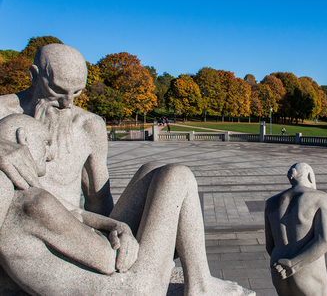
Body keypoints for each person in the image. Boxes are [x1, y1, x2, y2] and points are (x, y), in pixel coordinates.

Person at [0, 44, 247, 295]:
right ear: (33, 75)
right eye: (57, 90)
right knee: (177, 177)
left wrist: (117, 230)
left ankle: (199, 278)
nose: (68, 103)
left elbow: (98, 200)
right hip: (53, 244)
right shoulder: (4, 114)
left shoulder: (88, 124)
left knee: (154, 171)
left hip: (78, 230)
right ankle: (201, 285)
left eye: (77, 92)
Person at [265, 163, 327, 296]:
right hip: (305, 269)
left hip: (278, 267)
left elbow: (269, 245)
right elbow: (324, 241)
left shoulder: (271, 202)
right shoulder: (322, 198)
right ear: (310, 176)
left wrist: (282, 263)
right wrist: (293, 264)